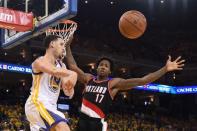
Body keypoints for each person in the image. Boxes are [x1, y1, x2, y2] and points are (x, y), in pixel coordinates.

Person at [65, 37, 185, 131]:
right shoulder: (88, 78)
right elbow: (73, 66)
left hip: (97, 124)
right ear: (97, 68)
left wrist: (165, 69)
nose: (103, 67)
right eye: (101, 65)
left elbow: (142, 80)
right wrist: (67, 46)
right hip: (82, 121)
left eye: (106, 66)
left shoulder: (112, 83)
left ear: (110, 71)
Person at [25, 35, 77, 131]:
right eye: (61, 44)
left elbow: (67, 91)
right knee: (63, 128)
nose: (63, 48)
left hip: (50, 106)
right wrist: (73, 73)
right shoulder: (39, 62)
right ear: (52, 44)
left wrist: (69, 89)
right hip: (37, 103)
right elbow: (53, 70)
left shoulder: (62, 66)